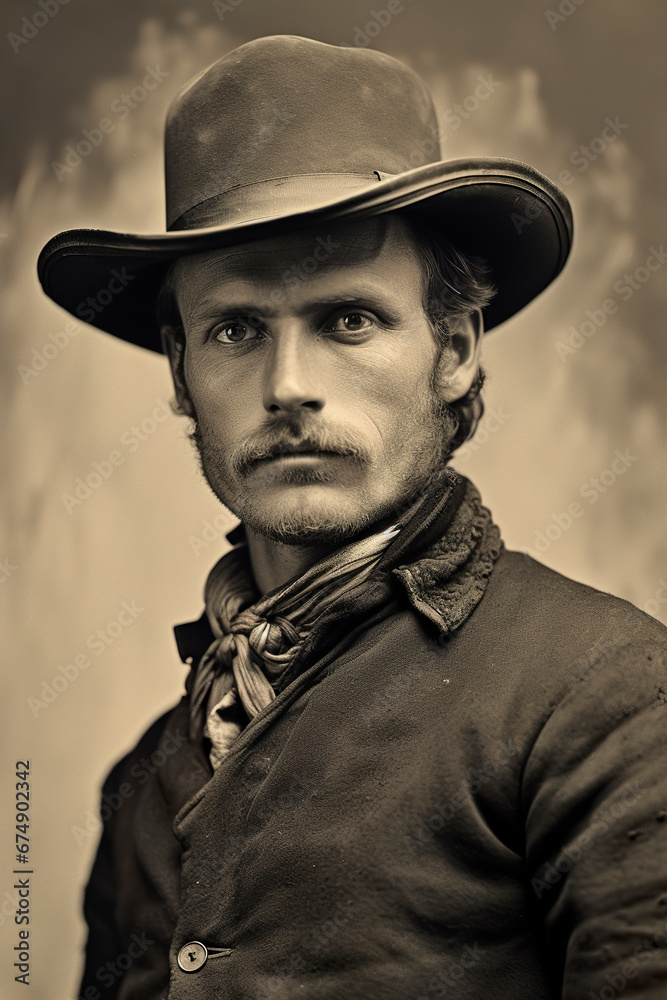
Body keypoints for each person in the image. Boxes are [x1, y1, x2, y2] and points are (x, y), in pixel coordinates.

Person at [38, 34, 667, 1000]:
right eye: (236, 330)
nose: (289, 387)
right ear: (181, 372)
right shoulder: (145, 780)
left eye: (348, 321)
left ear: (451, 349)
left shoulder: (609, 695)